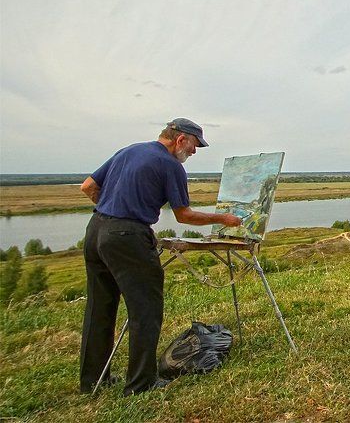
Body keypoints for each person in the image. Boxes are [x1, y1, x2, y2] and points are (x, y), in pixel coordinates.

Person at [78, 118, 241, 396]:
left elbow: (88, 186)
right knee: (146, 309)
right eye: (194, 145)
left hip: (95, 231)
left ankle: (93, 381)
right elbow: (184, 215)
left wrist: (115, 212)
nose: (194, 151)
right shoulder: (170, 165)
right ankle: (141, 384)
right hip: (127, 237)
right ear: (180, 140)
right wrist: (223, 218)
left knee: (99, 307)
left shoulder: (129, 150)